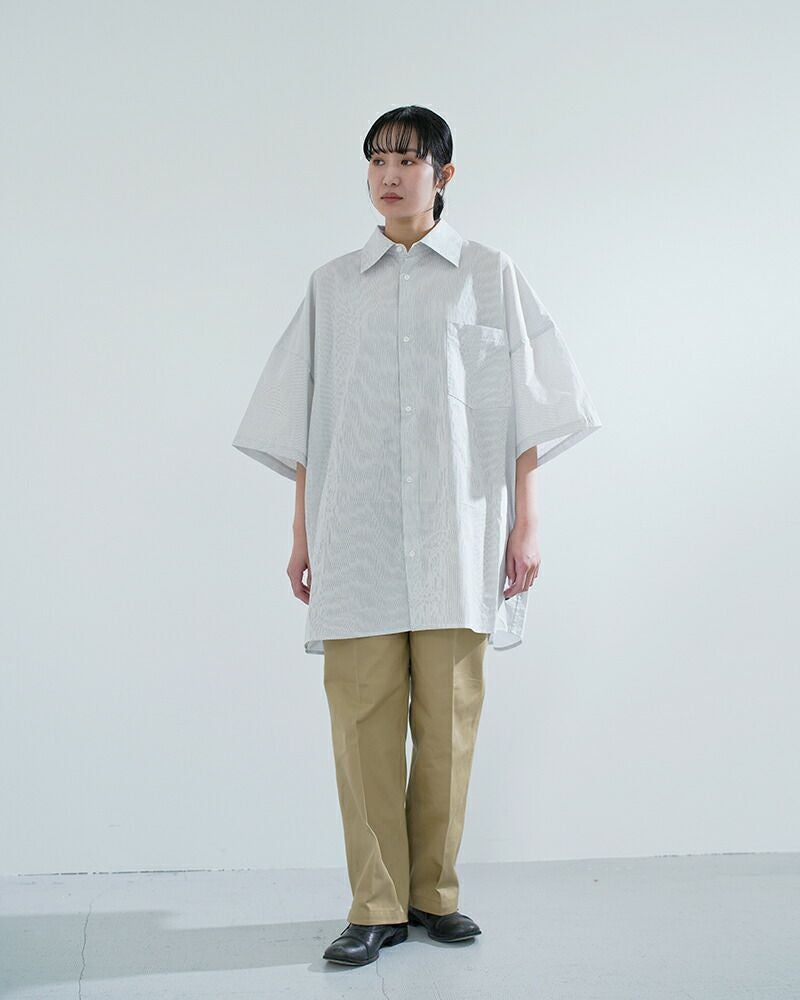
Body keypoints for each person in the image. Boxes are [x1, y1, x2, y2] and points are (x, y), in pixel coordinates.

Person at [232, 105, 602, 967]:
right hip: (356, 533)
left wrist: (526, 524)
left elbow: (529, 409)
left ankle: (434, 894)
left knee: (449, 723)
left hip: (456, 535)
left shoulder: (489, 275)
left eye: (408, 159)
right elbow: (306, 418)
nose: (390, 175)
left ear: (444, 174)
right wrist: (301, 532)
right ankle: (375, 904)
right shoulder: (332, 286)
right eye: (377, 160)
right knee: (361, 723)